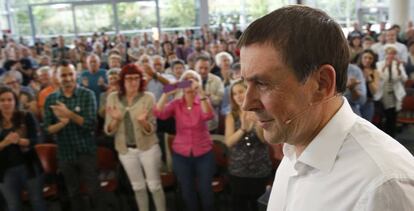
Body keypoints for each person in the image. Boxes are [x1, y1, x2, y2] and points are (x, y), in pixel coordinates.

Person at [238, 5, 414, 211]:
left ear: (321, 83)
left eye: (262, 83)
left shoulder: (383, 186)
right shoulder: (294, 146)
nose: (246, 103)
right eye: (245, 83)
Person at [43, 60, 106, 211]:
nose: (68, 78)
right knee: (73, 193)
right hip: (65, 153)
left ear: (76, 75)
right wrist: (62, 124)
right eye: (63, 75)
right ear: (57, 77)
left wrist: (69, 114)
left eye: (70, 74)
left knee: (94, 190)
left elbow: (91, 125)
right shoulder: (51, 99)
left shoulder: (87, 95)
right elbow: (47, 129)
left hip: (86, 150)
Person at [104, 64, 166, 211]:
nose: (133, 82)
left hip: (148, 148)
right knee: (137, 187)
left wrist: (144, 122)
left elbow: (152, 129)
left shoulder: (148, 97)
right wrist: (116, 120)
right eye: (129, 79)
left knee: (155, 186)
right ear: (122, 81)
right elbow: (108, 131)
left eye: (137, 78)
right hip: (126, 151)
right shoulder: (112, 98)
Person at [153, 70, 216, 211]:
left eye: (193, 79)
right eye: (187, 80)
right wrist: (167, 92)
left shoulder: (202, 101)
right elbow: (159, 113)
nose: (190, 82)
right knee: (187, 192)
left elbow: (209, 115)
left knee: (206, 191)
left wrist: (200, 92)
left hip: (203, 153)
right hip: (181, 154)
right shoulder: (176, 104)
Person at [224, 79, 272, 211]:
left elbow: (265, 141)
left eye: (241, 91)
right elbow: (228, 142)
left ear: (249, 92)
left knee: (257, 205)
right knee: (239, 206)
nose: (238, 96)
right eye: (234, 94)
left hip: (260, 169)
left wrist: (257, 123)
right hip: (238, 170)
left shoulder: (262, 111)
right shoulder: (231, 116)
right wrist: (243, 129)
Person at [0, 87, 47, 211]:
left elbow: (38, 140)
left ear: (15, 101)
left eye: (9, 99)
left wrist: (20, 141)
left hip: (29, 166)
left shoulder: (26, 116)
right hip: (4, 171)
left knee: (37, 201)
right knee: (13, 206)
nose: (6, 103)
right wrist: (5, 142)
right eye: (2, 100)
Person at [374, 44, 408, 137]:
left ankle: (391, 134)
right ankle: (383, 135)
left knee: (392, 115)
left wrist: (398, 68)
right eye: (389, 54)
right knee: (382, 114)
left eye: (393, 54)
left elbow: (404, 79)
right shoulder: (379, 64)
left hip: (394, 92)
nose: (391, 56)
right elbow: (379, 77)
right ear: (385, 54)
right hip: (383, 92)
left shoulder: (398, 64)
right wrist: (385, 66)